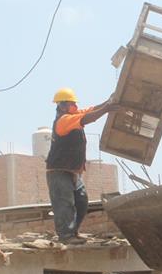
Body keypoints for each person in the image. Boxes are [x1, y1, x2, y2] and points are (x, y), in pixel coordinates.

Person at [46, 88, 115, 243]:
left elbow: (90, 110)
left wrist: (107, 102)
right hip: (59, 171)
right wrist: (106, 109)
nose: (76, 106)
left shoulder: (72, 115)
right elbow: (87, 118)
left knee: (82, 202)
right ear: (63, 106)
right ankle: (66, 235)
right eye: (72, 104)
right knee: (64, 204)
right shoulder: (63, 120)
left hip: (73, 172)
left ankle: (73, 232)